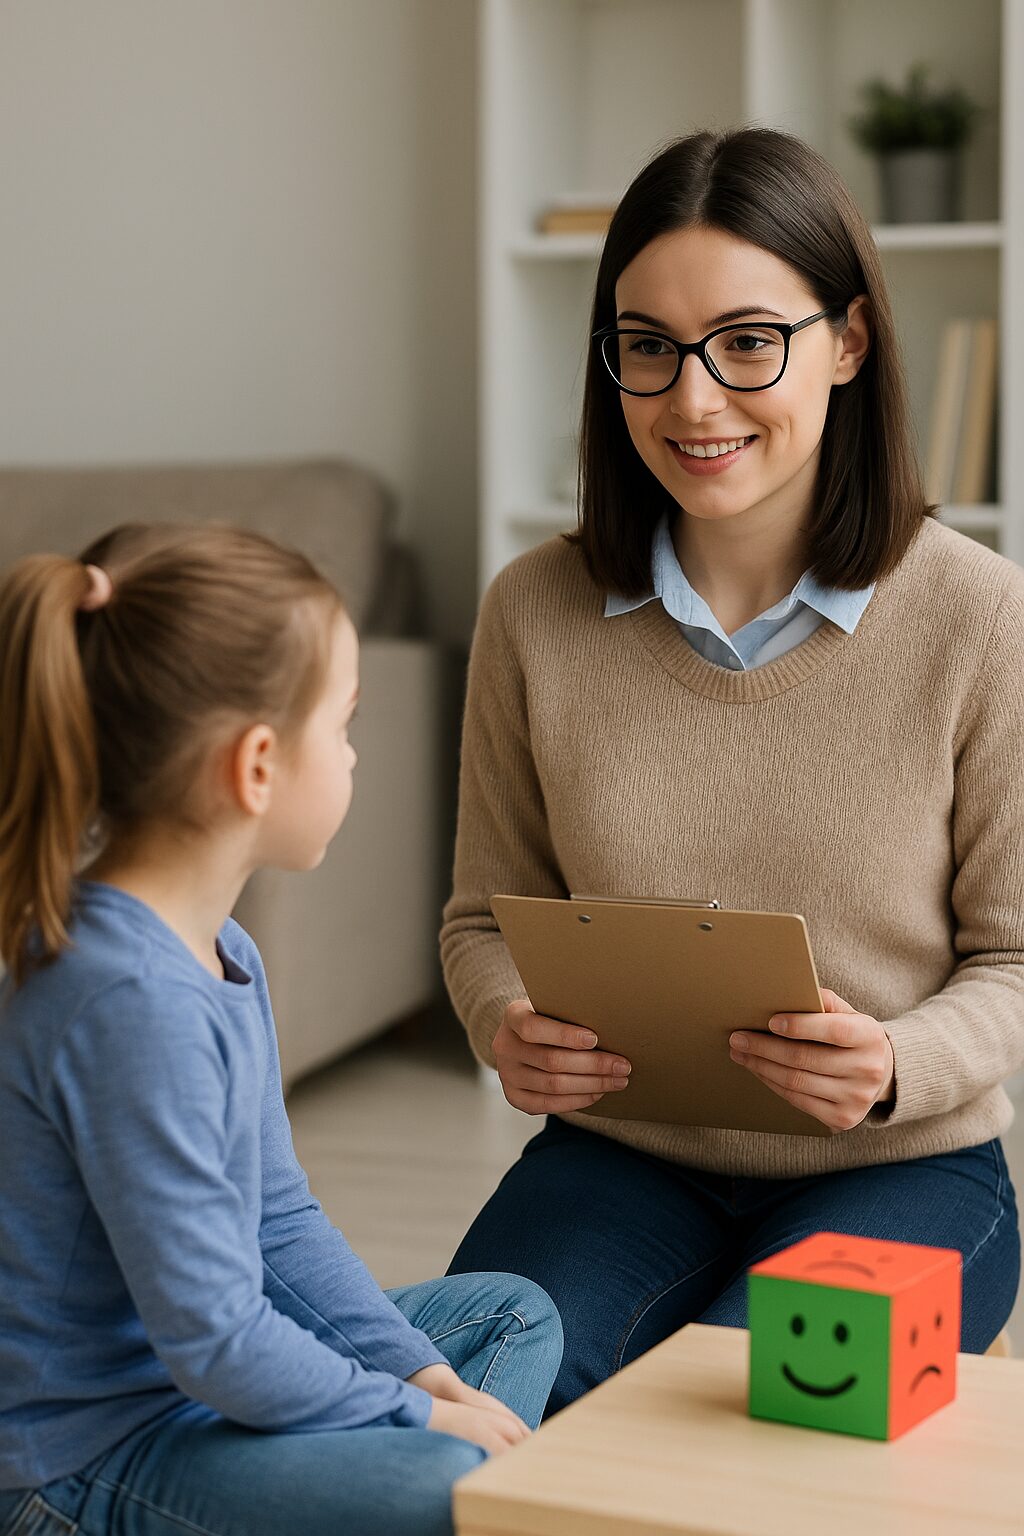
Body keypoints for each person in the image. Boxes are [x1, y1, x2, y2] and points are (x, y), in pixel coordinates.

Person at [441, 126, 1023, 1414]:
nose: (692, 401)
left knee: (786, 1434)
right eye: (647, 347)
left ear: (850, 344)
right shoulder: (532, 607)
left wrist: (891, 1067)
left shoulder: (981, 618)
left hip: (907, 1169)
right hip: (618, 1160)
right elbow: (482, 917)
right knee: (470, 1411)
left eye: (748, 343)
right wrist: (502, 1025)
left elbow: (1018, 960)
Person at [0, 522, 562, 1536]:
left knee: (508, 1317)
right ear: (257, 765)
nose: (352, 756)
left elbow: (279, 1223)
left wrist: (429, 1382)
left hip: (194, 1398)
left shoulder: (220, 954)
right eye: (342, 727)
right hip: (80, 1462)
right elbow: (214, 1339)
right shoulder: (129, 1004)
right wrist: (412, 1418)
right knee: (440, 1486)